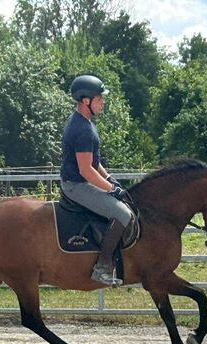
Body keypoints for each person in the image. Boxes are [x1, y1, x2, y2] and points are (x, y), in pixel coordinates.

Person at [60, 74, 133, 287]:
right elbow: (85, 171)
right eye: (99, 99)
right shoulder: (82, 129)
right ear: (86, 101)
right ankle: (102, 268)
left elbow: (94, 163)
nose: (103, 103)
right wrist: (111, 189)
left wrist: (109, 179)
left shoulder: (84, 122)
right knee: (123, 214)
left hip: (81, 180)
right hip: (77, 185)